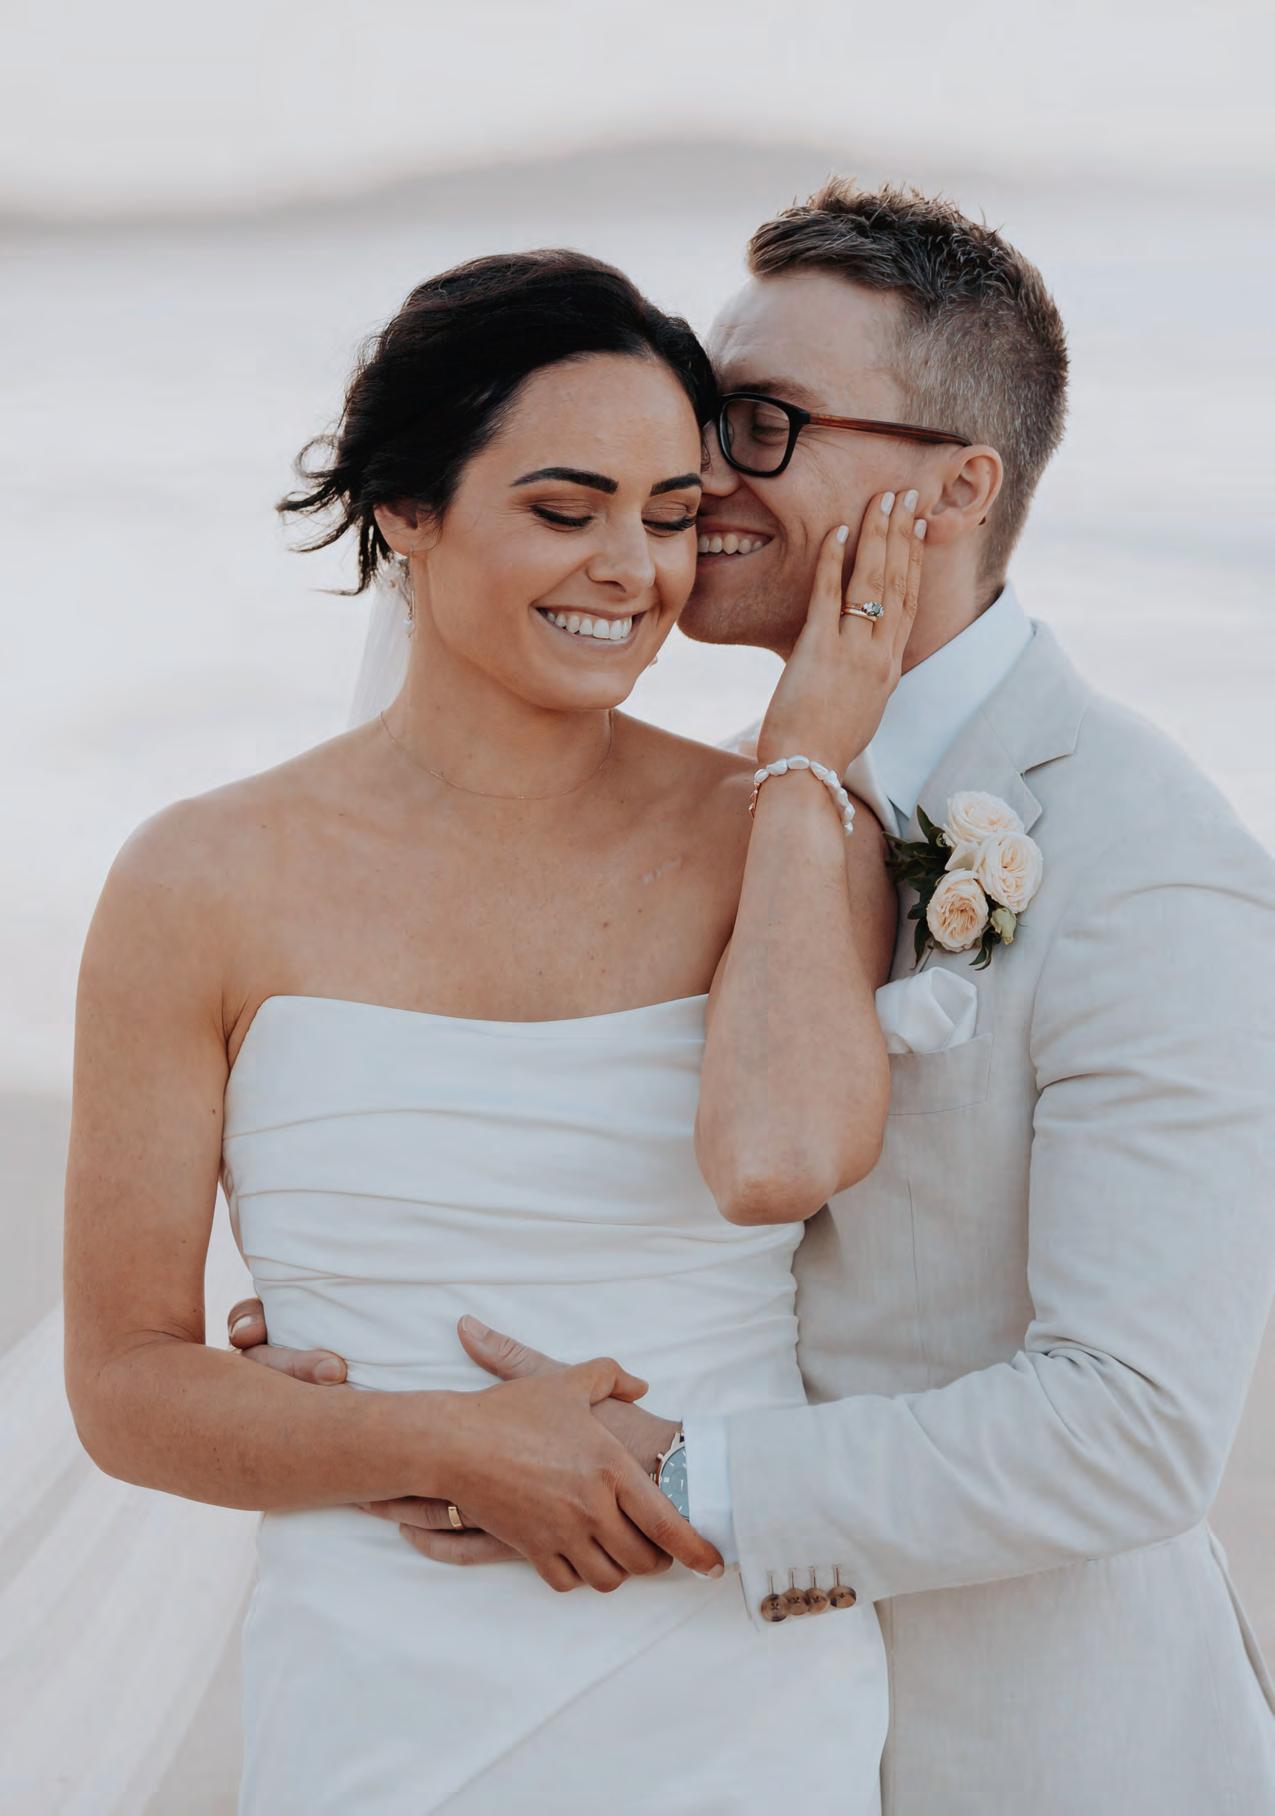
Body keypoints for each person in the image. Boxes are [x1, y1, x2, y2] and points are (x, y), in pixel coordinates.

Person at [235, 183, 1275, 1814]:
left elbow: (1134, 1429)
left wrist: (683, 1476)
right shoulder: (725, 810)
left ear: (958, 488)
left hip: (1024, 1753)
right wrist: (369, 1308)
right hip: (706, 1727)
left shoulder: (1153, 865)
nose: (702, 475)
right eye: (710, 415)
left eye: (767, 425)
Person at [63, 248, 934, 1812]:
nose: (631, 569)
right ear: (406, 506)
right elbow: (126, 1384)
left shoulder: (782, 829)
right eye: (565, 509)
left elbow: (791, 1155)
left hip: (734, 1688)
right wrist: (447, 1443)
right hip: (380, 1700)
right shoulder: (198, 881)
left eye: (669, 515)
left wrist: (808, 762)